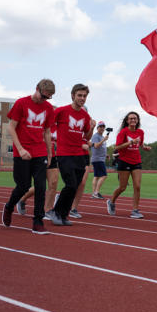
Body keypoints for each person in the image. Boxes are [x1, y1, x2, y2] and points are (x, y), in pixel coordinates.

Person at [2, 79, 55, 234]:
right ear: (37, 88)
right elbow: (11, 127)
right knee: (23, 186)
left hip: (40, 152)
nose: (44, 100)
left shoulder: (48, 108)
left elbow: (46, 132)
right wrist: (20, 148)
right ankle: (9, 206)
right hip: (22, 152)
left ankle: (38, 222)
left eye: (48, 98)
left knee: (40, 187)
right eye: (43, 96)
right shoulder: (21, 103)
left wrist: (50, 153)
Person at [51, 84, 95, 226]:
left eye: (84, 96)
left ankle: (64, 215)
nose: (82, 98)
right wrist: (53, 136)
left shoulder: (85, 115)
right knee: (70, 184)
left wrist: (92, 127)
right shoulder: (62, 111)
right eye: (79, 95)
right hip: (64, 153)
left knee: (75, 186)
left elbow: (87, 136)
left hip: (79, 155)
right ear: (73, 95)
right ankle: (56, 212)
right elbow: (48, 123)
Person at [107, 111, 151, 218]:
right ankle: (111, 201)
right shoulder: (123, 132)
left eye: (135, 118)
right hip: (124, 161)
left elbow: (140, 144)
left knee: (137, 186)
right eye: (131, 118)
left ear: (137, 120)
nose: (133, 120)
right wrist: (130, 142)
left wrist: (144, 147)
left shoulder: (140, 132)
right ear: (127, 121)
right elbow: (117, 147)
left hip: (136, 161)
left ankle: (135, 210)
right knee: (122, 187)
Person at [16, 123, 60, 220]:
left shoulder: (58, 127)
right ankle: (22, 199)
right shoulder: (40, 125)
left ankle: (47, 210)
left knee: (53, 183)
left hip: (51, 156)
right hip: (39, 155)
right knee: (40, 185)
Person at [68, 132, 92, 219]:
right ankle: (63, 197)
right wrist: (80, 146)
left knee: (82, 183)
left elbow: (87, 138)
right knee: (72, 183)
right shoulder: (72, 124)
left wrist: (92, 128)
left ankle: (73, 209)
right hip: (72, 155)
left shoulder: (86, 124)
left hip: (85, 156)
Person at [90, 121, 109, 199]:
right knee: (104, 176)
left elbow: (101, 148)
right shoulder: (96, 136)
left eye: (103, 127)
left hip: (99, 158)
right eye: (100, 126)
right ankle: (96, 192)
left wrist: (106, 155)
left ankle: (94, 193)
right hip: (98, 159)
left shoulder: (101, 136)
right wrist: (104, 140)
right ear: (97, 128)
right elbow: (96, 146)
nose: (102, 128)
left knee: (97, 176)